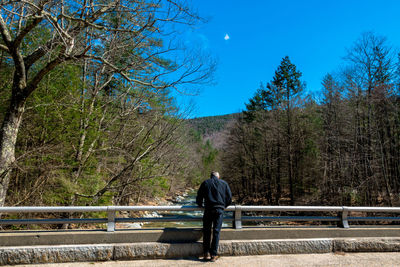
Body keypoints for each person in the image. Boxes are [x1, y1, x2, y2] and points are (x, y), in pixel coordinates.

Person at [196, 171, 232, 262]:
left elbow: (199, 196)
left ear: (211, 176)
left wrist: (200, 204)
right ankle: (214, 255)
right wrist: (224, 206)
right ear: (218, 176)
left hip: (208, 209)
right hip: (219, 210)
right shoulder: (224, 183)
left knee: (207, 231)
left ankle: (206, 253)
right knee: (216, 231)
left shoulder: (205, 183)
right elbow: (229, 198)